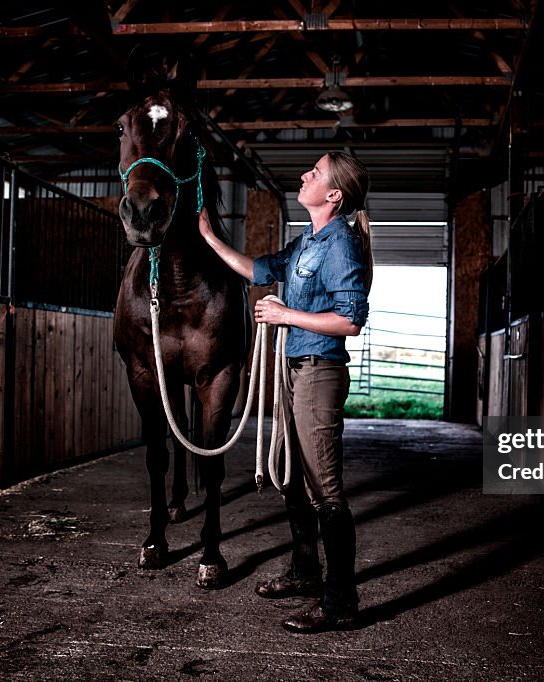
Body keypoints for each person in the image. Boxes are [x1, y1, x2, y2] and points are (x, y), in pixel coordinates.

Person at [198, 151, 371, 633]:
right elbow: (257, 271)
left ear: (333, 194)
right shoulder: (307, 241)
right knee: (293, 476)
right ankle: (305, 571)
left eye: (314, 173)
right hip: (296, 367)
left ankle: (341, 602)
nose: (304, 175)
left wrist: (284, 316)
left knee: (326, 488)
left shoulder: (341, 245)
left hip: (319, 371)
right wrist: (210, 237)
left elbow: (350, 320)